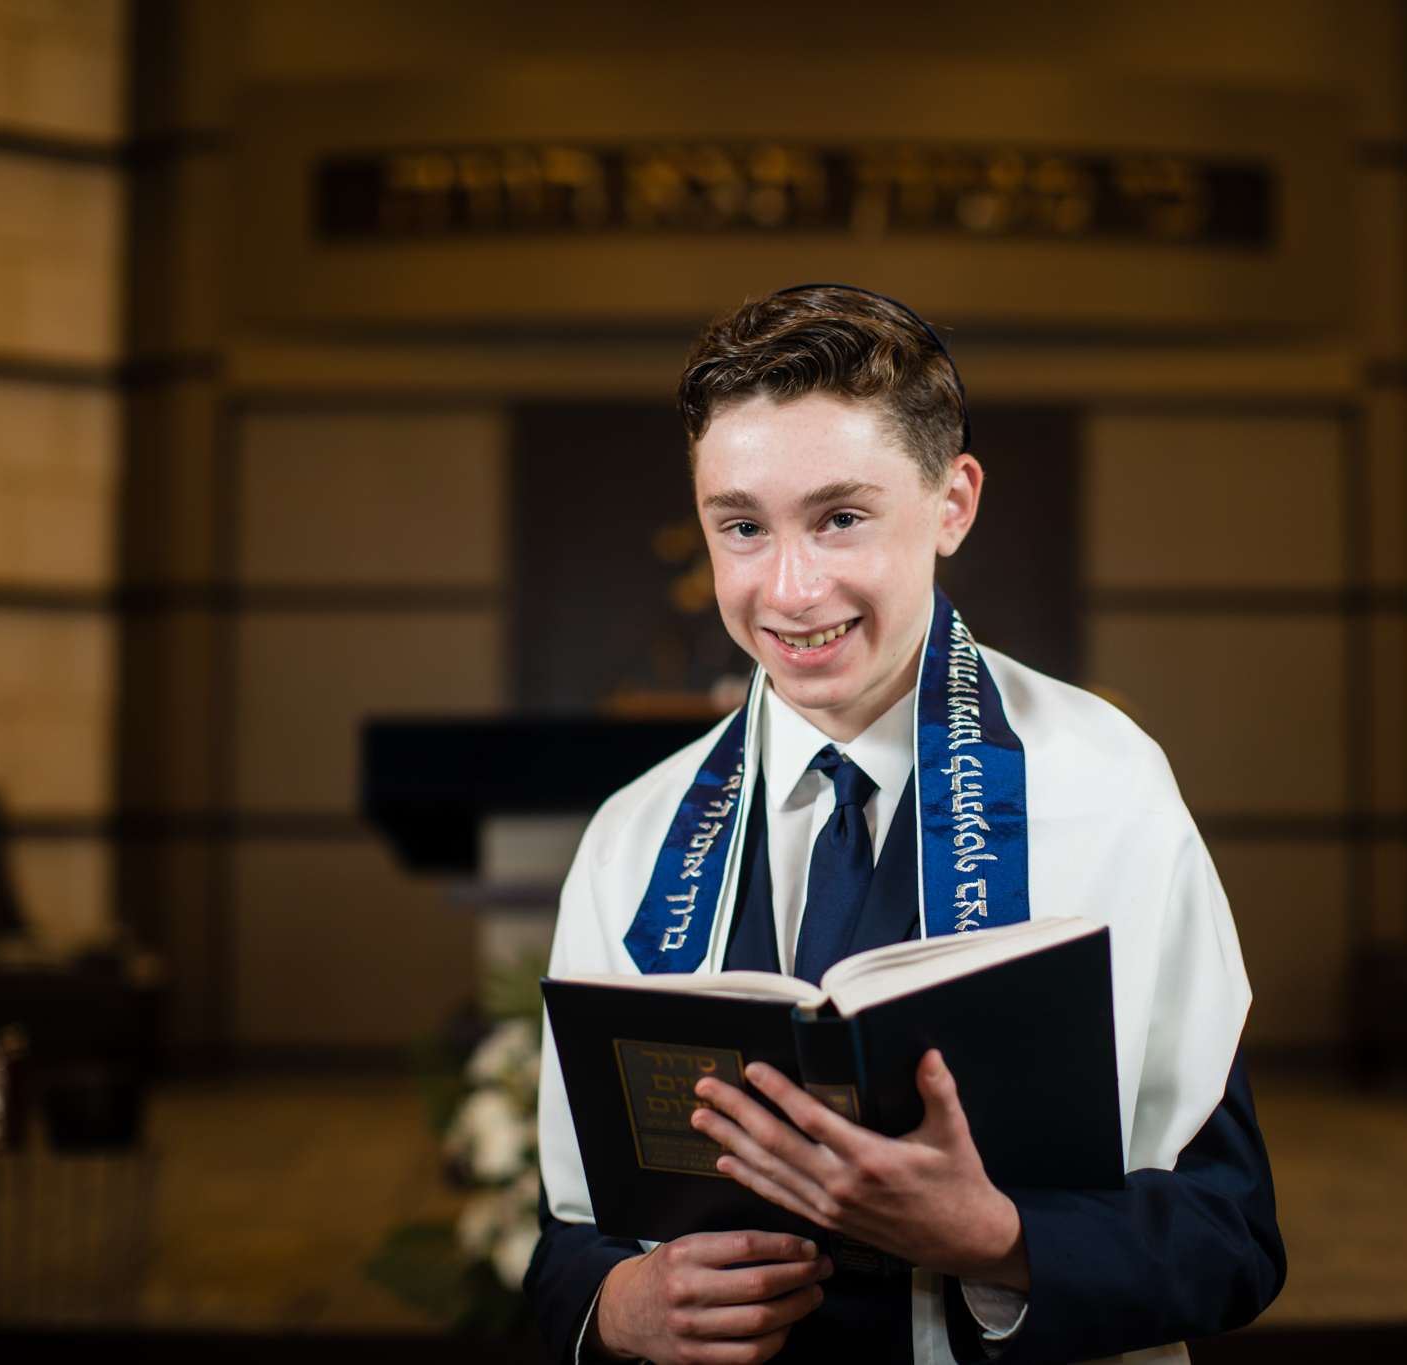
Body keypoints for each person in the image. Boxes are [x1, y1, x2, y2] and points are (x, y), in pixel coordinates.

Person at [525, 286, 1284, 1365]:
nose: (788, 590)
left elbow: (1231, 1239)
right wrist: (621, 1307)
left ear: (951, 503)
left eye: (840, 517)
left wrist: (1000, 1240)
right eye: (741, 526)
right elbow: (565, 1239)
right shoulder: (633, 835)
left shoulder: (1107, 788)